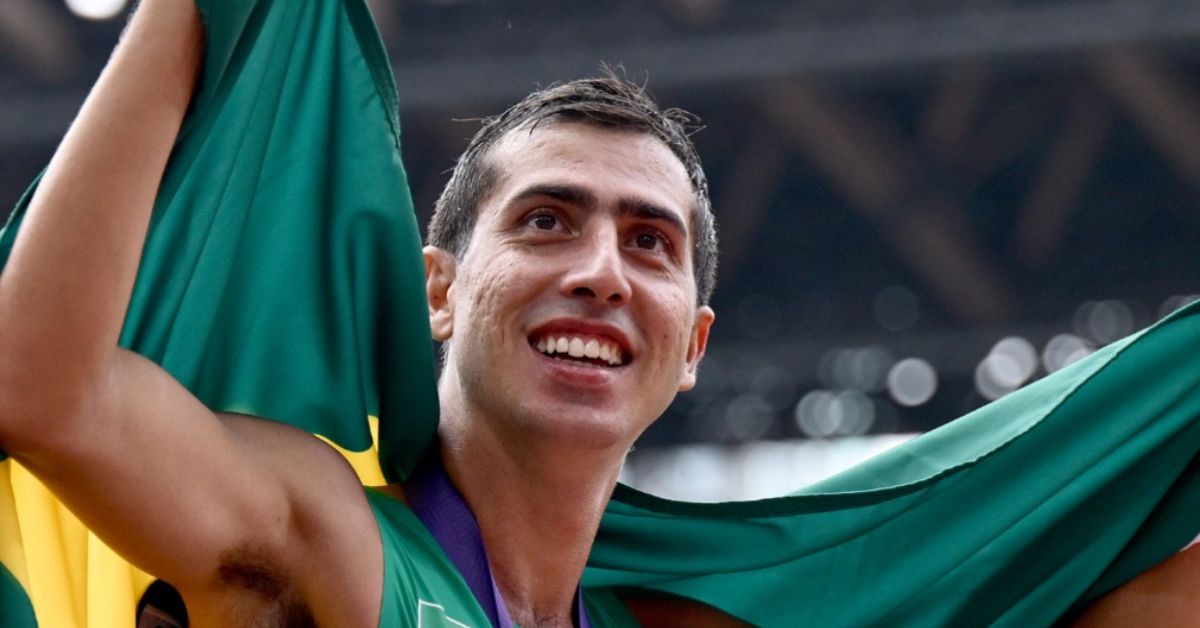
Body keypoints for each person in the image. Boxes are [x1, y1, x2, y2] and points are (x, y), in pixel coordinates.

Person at [2, 1, 1200, 627]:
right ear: (439, 291)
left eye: (649, 242)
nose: (600, 271)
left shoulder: (688, 614)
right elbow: (39, 393)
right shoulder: (331, 536)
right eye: (544, 221)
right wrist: (202, 7)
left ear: (693, 347)